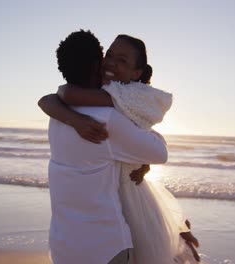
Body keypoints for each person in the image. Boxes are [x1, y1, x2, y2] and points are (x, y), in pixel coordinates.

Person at [39, 32, 201, 263]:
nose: (111, 62)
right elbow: (158, 152)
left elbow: (57, 96)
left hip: (64, 242)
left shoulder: (59, 117)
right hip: (108, 238)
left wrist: (171, 222)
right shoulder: (105, 115)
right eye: (109, 55)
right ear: (97, 63)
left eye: (121, 60)